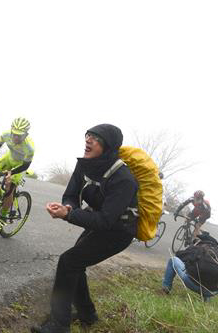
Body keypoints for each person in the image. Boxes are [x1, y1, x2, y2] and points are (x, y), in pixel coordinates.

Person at [31, 124, 138, 333]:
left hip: (119, 231)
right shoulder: (84, 165)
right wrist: (68, 207)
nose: (88, 140)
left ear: (108, 146)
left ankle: (58, 326)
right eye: (88, 135)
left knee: (69, 261)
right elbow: (71, 194)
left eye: (96, 138)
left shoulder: (124, 179)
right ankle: (88, 315)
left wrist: (69, 215)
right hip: (97, 221)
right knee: (75, 263)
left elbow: (106, 221)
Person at [162, 233, 218, 302]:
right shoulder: (216, 252)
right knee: (210, 273)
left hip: (192, 284)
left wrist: (190, 249)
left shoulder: (198, 248)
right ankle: (206, 300)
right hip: (212, 292)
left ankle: (165, 289)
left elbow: (179, 255)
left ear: (200, 241)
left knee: (173, 260)